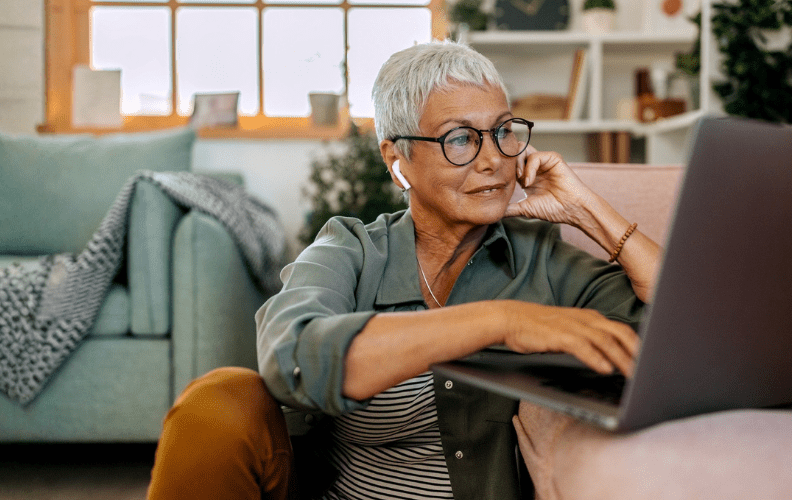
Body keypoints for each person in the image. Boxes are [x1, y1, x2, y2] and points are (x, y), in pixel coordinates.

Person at [146, 40, 662, 500]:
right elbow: (292, 356)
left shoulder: (540, 258)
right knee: (218, 399)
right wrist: (499, 321)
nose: (493, 161)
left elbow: (681, 333)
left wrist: (588, 210)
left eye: (504, 132)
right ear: (397, 159)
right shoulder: (351, 248)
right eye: (460, 139)